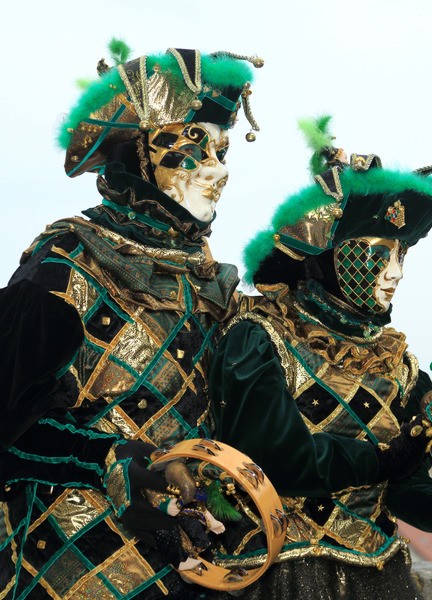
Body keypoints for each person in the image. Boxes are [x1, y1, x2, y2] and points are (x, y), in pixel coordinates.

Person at [206, 122, 432, 599]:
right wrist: (386, 457)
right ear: (326, 255)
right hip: (281, 577)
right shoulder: (260, 340)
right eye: (376, 255)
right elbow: (273, 461)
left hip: (382, 578)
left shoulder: (399, 364)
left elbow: (403, 488)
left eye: (402, 255)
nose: (394, 274)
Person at [0, 41, 262, 599]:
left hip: (190, 568)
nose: (218, 172)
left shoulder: (211, 286)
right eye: (196, 150)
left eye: (222, 151)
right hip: (70, 567)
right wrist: (103, 461)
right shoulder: (63, 272)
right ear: (137, 156)